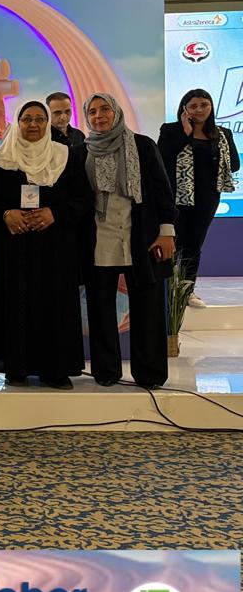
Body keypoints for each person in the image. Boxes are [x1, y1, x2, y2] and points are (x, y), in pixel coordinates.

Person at [0, 102, 91, 389]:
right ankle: (15, 367)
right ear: (18, 123)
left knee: (53, 305)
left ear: (48, 123)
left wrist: (55, 213)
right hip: (11, 246)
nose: (33, 125)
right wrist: (6, 214)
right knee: (15, 302)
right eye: (27, 119)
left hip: (54, 247)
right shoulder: (0, 157)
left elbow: (82, 199)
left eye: (40, 119)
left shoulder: (65, 156)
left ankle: (55, 370)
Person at [81, 93, 176, 389]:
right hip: (99, 239)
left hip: (141, 238)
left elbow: (162, 190)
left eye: (104, 109)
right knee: (100, 308)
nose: (99, 116)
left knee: (148, 308)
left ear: (116, 112)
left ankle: (150, 374)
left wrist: (167, 231)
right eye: (92, 111)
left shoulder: (142, 145)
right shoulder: (81, 151)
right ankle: (106, 371)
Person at [158, 88, 239, 308]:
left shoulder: (223, 134)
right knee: (174, 244)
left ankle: (186, 291)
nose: (199, 109)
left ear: (211, 106)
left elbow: (234, 165)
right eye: (193, 106)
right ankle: (166, 290)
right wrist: (185, 133)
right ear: (184, 109)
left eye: (204, 105)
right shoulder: (170, 130)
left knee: (194, 245)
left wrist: (223, 150)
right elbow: (162, 160)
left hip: (207, 199)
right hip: (177, 198)